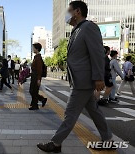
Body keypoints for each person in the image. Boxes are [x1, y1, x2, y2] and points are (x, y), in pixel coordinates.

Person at [37, 1, 113, 152]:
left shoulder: (89, 27)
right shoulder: (77, 30)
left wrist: (99, 78)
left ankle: (56, 143)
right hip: (79, 80)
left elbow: (97, 53)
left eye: (69, 10)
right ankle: (108, 139)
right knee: (94, 111)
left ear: (77, 12)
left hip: (84, 81)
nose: (67, 14)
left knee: (70, 113)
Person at [29, 43, 47, 110]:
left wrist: (38, 79)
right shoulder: (36, 57)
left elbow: (39, 69)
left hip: (36, 77)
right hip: (34, 76)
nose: (32, 49)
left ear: (36, 49)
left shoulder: (38, 58)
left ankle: (39, 101)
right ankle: (35, 104)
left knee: (33, 91)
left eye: (33, 48)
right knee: (33, 91)